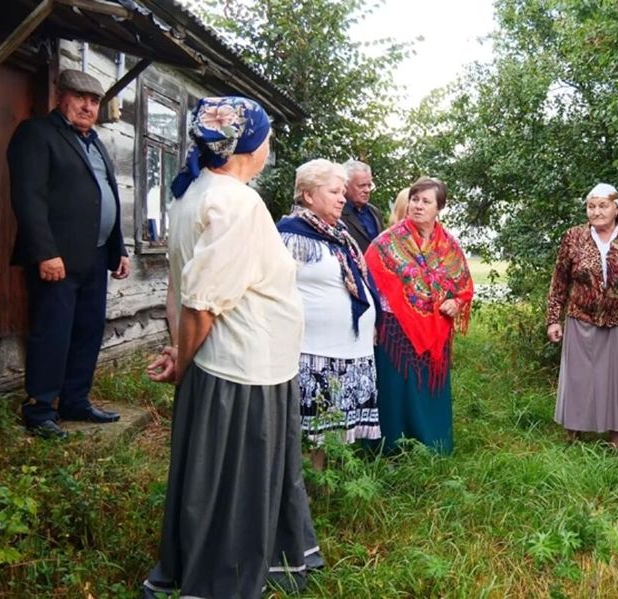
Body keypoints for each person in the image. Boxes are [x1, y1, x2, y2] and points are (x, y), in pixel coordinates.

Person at [142, 97, 322, 598]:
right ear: (249, 145)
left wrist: (180, 351)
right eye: (267, 136)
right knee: (237, 482)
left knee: (220, 475)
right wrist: (184, 361)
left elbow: (181, 287)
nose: (270, 145)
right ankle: (228, 577)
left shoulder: (194, 194)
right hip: (243, 368)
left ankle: (241, 560)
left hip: (233, 362)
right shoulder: (237, 203)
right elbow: (201, 303)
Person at [7, 69, 130, 439]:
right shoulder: (37, 134)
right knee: (53, 332)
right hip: (56, 258)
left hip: (94, 256)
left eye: (94, 101)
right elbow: (28, 198)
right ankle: (40, 409)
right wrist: (45, 252)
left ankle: (75, 400)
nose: (88, 106)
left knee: (88, 331)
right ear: (60, 96)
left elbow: (104, 196)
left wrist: (118, 249)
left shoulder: (95, 143)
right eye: (80, 97)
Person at [277, 159, 383, 466]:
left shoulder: (338, 233)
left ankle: (322, 495)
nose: (342, 198)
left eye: (342, 192)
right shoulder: (290, 236)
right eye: (334, 191)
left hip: (348, 353)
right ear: (309, 195)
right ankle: (301, 500)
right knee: (309, 436)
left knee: (331, 435)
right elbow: (275, 291)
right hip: (314, 354)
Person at [365, 177, 474, 455]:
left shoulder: (448, 245)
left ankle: (433, 446)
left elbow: (462, 285)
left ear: (439, 208)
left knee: (429, 391)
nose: (418, 206)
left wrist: (456, 303)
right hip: (395, 331)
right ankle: (389, 450)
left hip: (436, 331)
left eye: (426, 201)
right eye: (415, 199)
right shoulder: (387, 242)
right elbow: (368, 280)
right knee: (395, 392)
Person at [546, 184, 618, 448]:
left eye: (602, 205)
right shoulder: (573, 237)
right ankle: (574, 436)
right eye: (591, 206)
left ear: (617, 208)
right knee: (579, 378)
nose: (596, 211)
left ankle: (616, 439)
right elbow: (559, 281)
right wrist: (554, 318)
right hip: (581, 317)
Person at [341, 159, 383, 251]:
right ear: (345, 185)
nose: (367, 190)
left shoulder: (375, 212)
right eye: (362, 185)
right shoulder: (337, 212)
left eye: (369, 185)